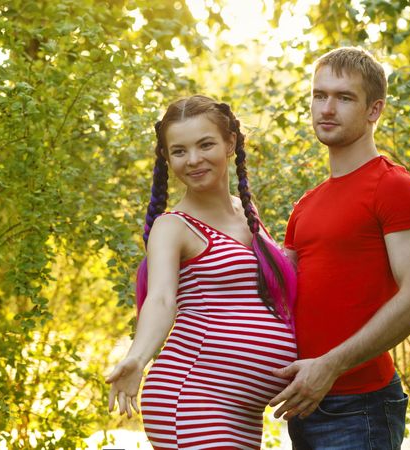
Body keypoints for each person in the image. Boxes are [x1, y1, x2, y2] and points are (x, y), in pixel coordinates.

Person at [106, 95, 297, 449]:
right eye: (179, 151)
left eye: (205, 144)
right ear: (166, 157)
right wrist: (137, 357)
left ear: (230, 143)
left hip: (241, 412)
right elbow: (162, 299)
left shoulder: (247, 213)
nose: (193, 160)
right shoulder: (173, 227)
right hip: (193, 398)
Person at [269, 47, 410, 450]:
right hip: (306, 404)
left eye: (344, 98)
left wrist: (331, 366)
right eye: (319, 95)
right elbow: (280, 298)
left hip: (361, 409)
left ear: (374, 110)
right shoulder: (306, 205)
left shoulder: (393, 186)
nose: (327, 108)